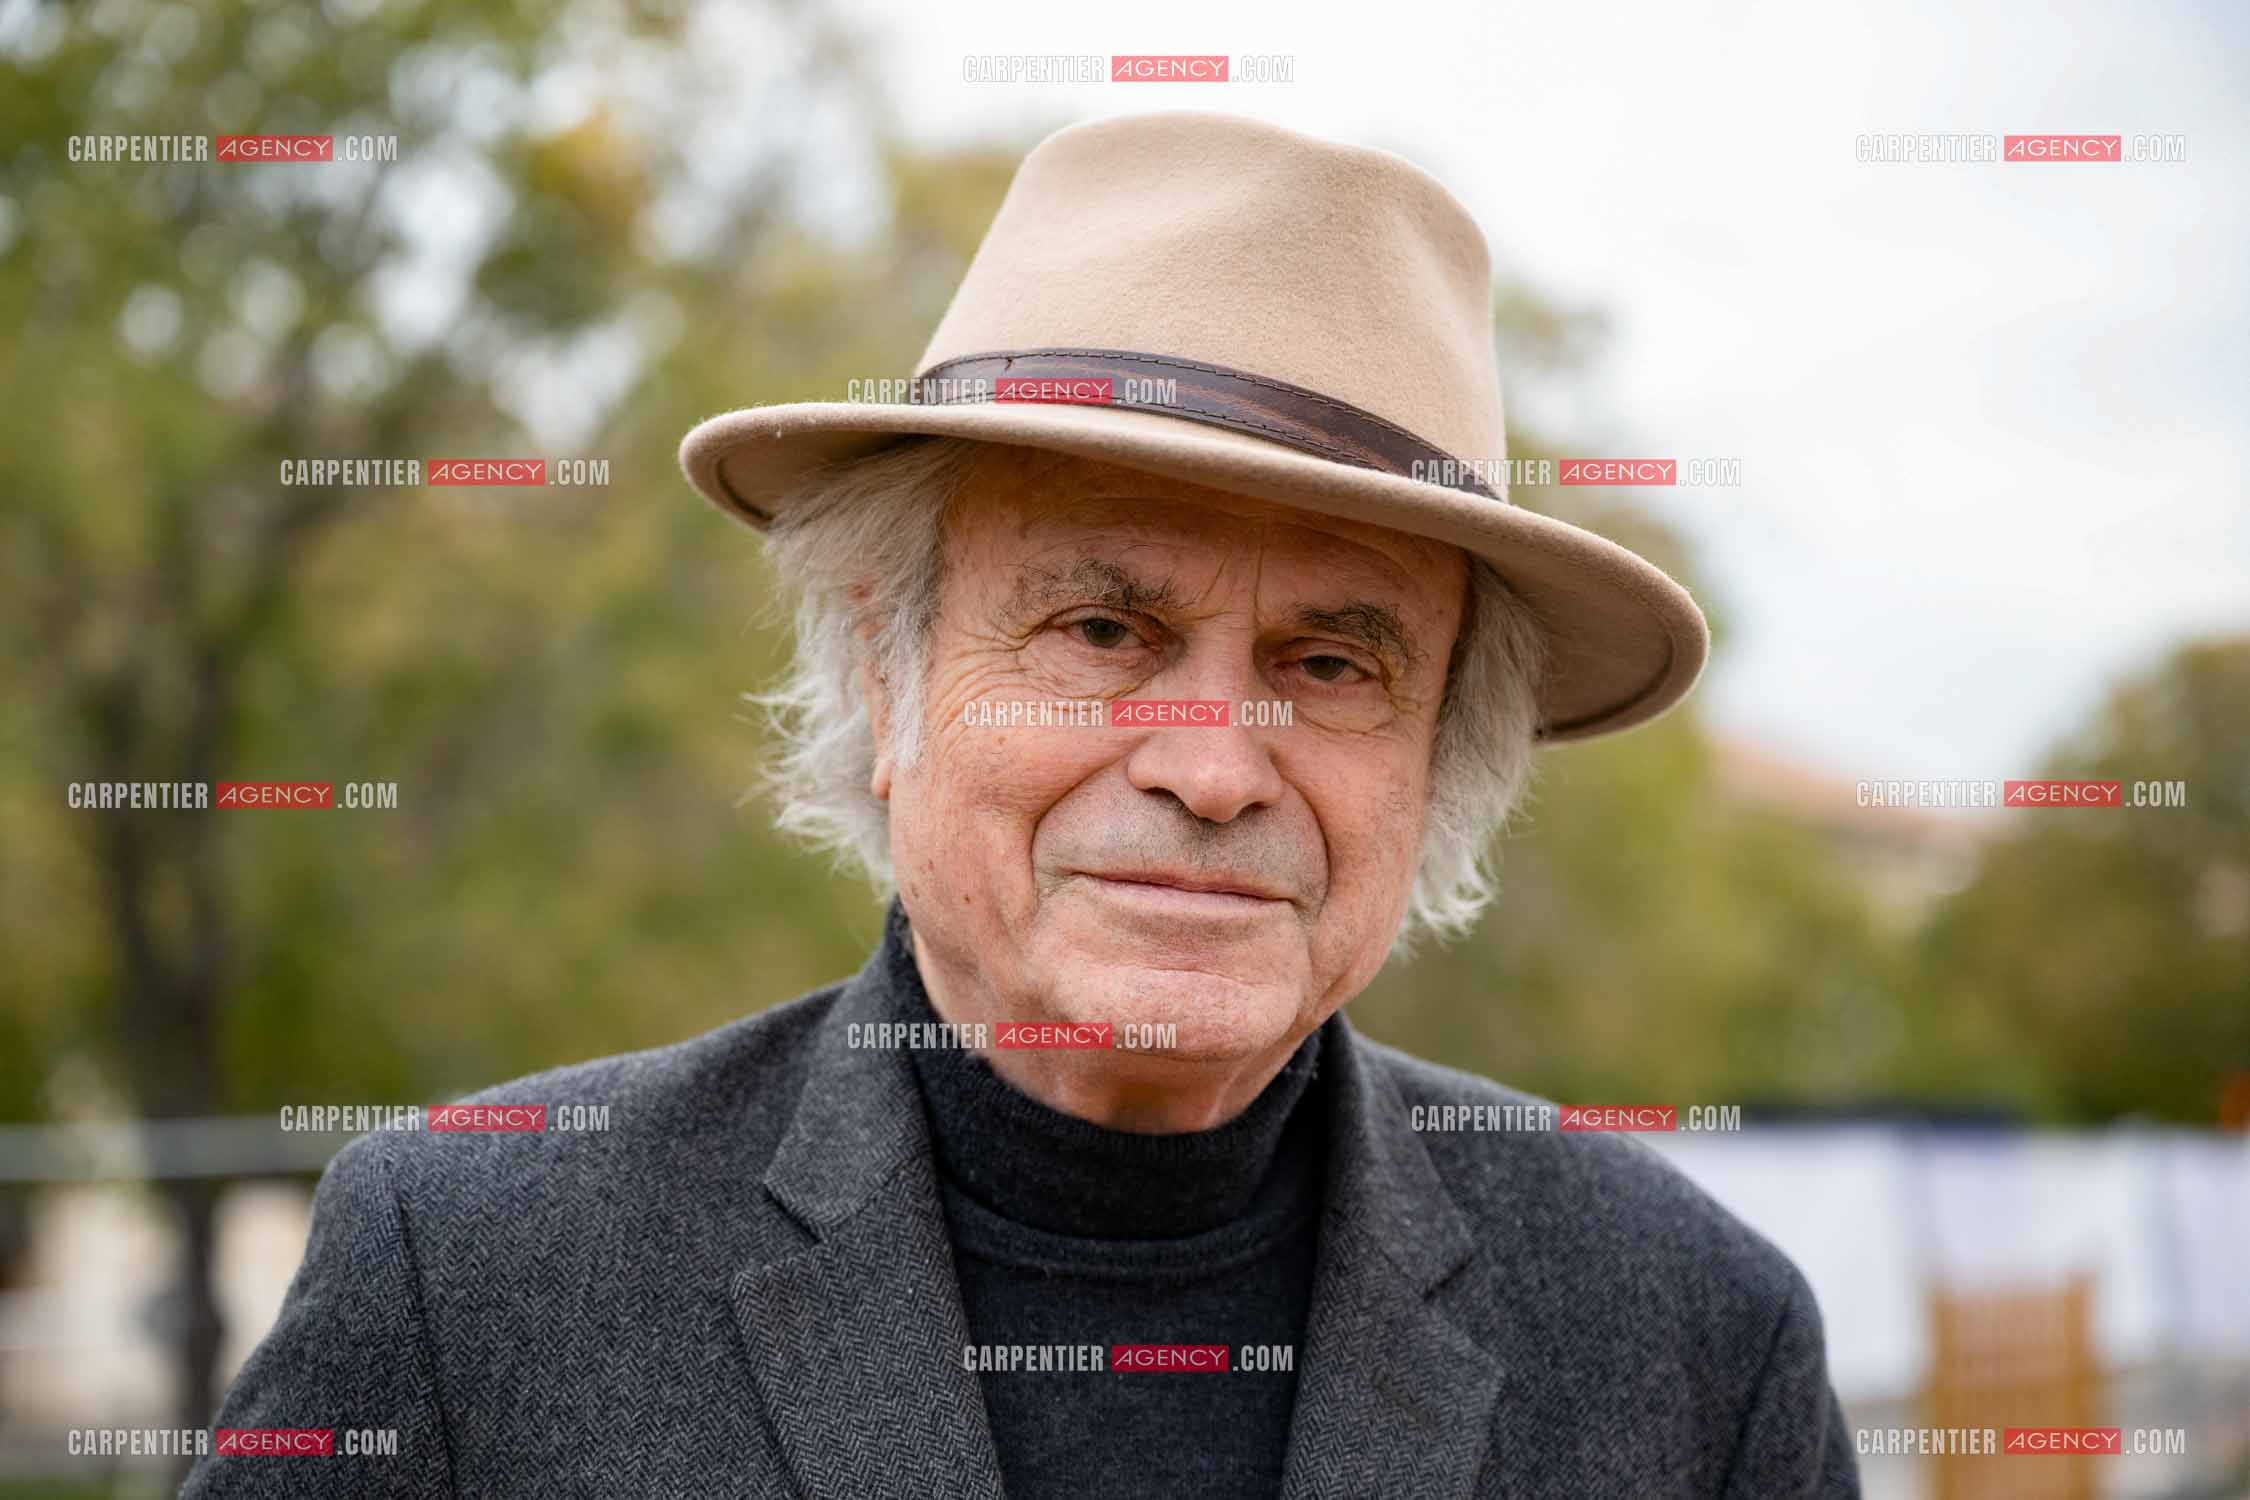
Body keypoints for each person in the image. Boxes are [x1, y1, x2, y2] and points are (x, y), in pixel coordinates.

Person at [186, 110, 1858, 1498]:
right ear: (888, 676)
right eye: (1104, 631)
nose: (1212, 768)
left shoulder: (1693, 1343)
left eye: (1335, 666)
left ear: (1441, 760)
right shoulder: (472, 1269)